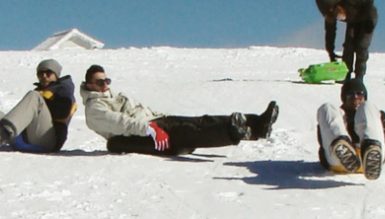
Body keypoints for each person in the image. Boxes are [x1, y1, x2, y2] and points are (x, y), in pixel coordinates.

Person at [79, 65, 277, 156]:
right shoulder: (96, 109)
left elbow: (140, 110)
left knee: (201, 121)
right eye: (99, 81)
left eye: (106, 80)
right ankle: (235, 131)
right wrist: (152, 129)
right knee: (192, 131)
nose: (105, 84)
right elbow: (123, 123)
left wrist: (159, 118)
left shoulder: (112, 96)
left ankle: (257, 124)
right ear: (89, 84)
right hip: (145, 132)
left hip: (155, 122)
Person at [0, 59, 76, 152]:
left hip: (48, 139)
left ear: (56, 75)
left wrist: (43, 103)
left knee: (34, 96)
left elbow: (63, 114)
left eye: (48, 73)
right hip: (28, 134)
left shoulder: (64, 91)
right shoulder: (40, 92)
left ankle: (4, 132)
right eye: (40, 74)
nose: (44, 76)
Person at [316, 76, 385, 180]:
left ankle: (371, 151)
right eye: (350, 94)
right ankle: (343, 148)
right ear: (344, 98)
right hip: (337, 161)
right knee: (327, 107)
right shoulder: (337, 116)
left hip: (369, 162)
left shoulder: (375, 115)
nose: (355, 97)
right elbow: (323, 142)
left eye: (360, 93)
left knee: (368, 106)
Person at [316, 0, 378, 80]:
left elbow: (369, 0)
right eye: (329, 12)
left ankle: (359, 77)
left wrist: (369, 20)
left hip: (368, 17)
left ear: (336, 4)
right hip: (353, 21)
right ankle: (346, 76)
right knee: (349, 46)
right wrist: (331, 51)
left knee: (361, 46)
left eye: (333, 9)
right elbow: (330, 33)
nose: (333, 13)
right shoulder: (330, 14)